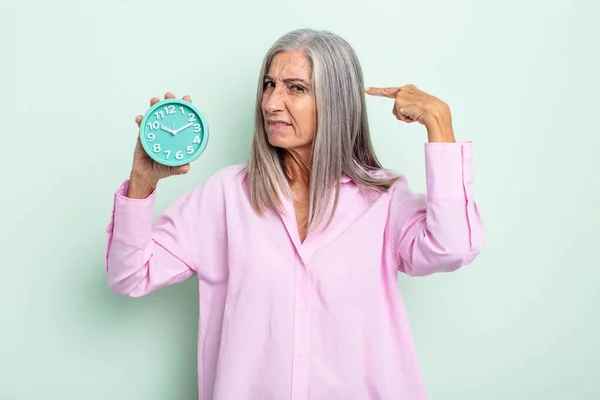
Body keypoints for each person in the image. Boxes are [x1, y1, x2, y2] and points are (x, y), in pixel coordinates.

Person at [105, 28, 484, 400]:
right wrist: (141, 181)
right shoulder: (224, 196)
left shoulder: (383, 199)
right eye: (269, 85)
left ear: (336, 102)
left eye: (295, 88)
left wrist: (439, 122)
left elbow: (452, 248)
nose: (271, 103)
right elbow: (130, 275)